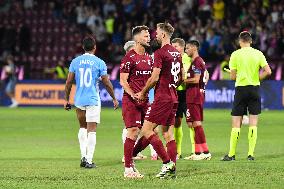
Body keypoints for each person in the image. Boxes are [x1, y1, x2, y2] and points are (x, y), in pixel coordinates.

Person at [134, 22, 183, 179]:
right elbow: (183, 77)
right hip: (173, 96)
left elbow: (154, 78)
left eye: (156, 32)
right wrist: (172, 86)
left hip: (163, 98)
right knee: (168, 133)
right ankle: (171, 168)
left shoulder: (160, 53)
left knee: (147, 130)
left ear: (163, 34)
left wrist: (142, 92)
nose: (154, 35)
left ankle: (167, 162)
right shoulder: (176, 53)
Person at [64, 36, 119, 168]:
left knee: (82, 128)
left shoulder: (75, 61)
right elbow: (106, 81)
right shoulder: (99, 62)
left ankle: (83, 156)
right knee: (92, 130)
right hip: (93, 99)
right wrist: (114, 98)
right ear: (95, 47)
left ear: (83, 47)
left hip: (79, 99)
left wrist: (66, 99)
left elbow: (69, 81)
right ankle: (89, 160)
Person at [221, 31, 271, 161]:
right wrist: (258, 78)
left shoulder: (235, 54)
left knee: (236, 123)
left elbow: (232, 76)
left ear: (239, 41)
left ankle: (231, 155)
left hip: (241, 90)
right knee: (253, 122)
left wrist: (237, 76)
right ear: (251, 41)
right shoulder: (258, 53)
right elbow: (268, 71)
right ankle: (251, 154)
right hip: (254, 88)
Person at [120, 26, 153, 178]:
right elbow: (123, 81)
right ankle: (128, 169)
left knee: (150, 132)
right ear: (138, 38)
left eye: (149, 36)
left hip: (145, 100)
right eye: (146, 36)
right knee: (133, 131)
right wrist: (133, 94)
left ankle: (130, 156)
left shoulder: (148, 58)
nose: (149, 38)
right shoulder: (129, 58)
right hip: (131, 100)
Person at [183, 40, 212, 161]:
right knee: (194, 124)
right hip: (194, 95)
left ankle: (205, 152)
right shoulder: (198, 61)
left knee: (197, 123)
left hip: (194, 96)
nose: (186, 50)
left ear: (194, 48)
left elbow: (195, 80)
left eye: (187, 48)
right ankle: (199, 152)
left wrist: (183, 80)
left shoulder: (196, 62)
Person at [171, 38, 192, 159]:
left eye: (176, 46)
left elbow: (204, 73)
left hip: (187, 93)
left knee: (191, 122)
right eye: (172, 46)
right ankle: (177, 151)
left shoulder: (190, 59)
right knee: (176, 122)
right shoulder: (171, 59)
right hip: (175, 93)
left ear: (182, 47)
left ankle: (196, 151)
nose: (174, 48)